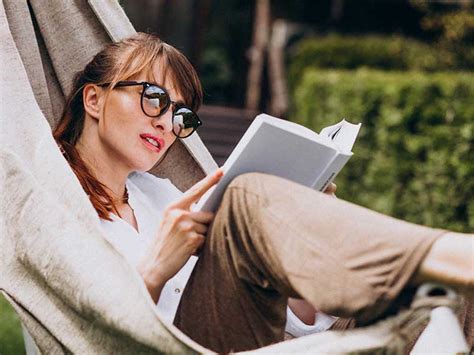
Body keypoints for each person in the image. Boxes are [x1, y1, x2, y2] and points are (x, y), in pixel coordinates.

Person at [53, 32, 473, 353]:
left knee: (447, 299)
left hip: (256, 341)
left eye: (181, 114)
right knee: (244, 196)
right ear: (94, 98)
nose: (168, 123)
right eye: (155, 98)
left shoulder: (161, 196)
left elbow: (300, 322)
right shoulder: (52, 204)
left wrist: (302, 232)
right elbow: (86, 337)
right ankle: (456, 255)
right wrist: (157, 270)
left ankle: (446, 267)